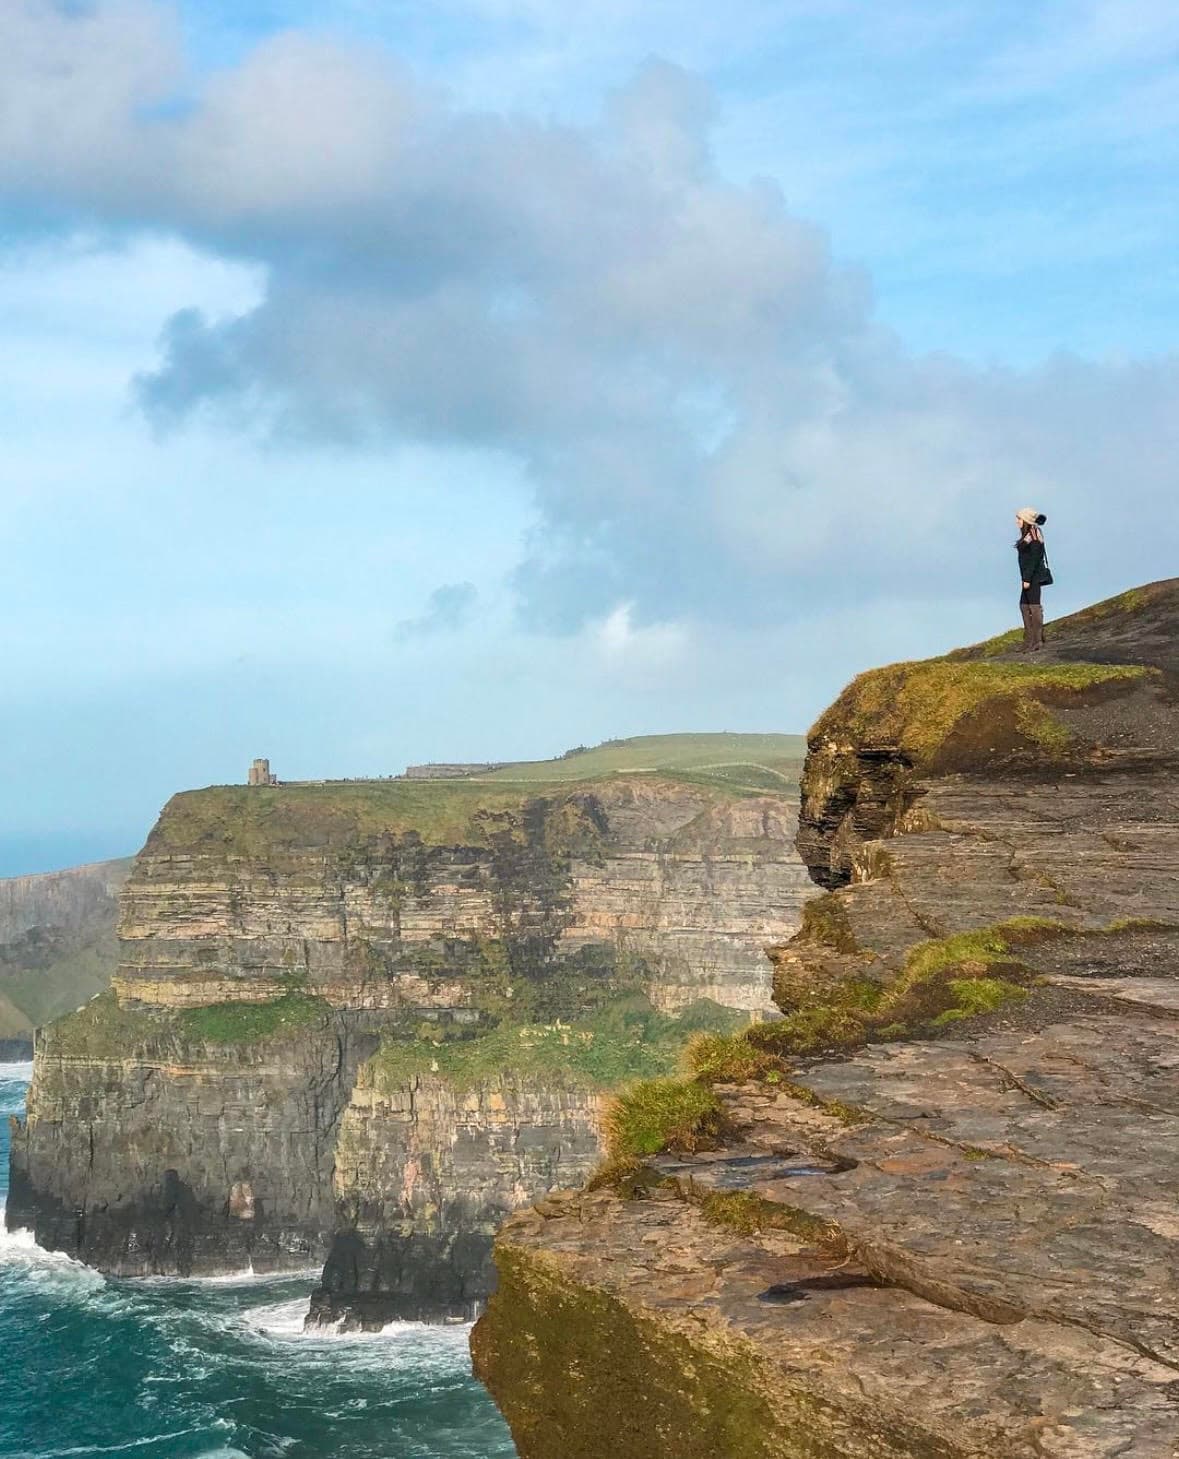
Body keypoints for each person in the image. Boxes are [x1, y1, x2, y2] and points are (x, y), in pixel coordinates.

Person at [1015, 507, 1050, 651]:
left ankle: (1036, 641)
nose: (1016, 521)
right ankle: (1030, 640)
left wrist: (1027, 579)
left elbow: (1035, 559)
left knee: (1034, 607)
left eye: (1019, 519)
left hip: (1033, 577)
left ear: (1025, 520)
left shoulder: (1034, 536)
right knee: (1024, 606)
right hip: (1028, 576)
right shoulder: (1028, 535)